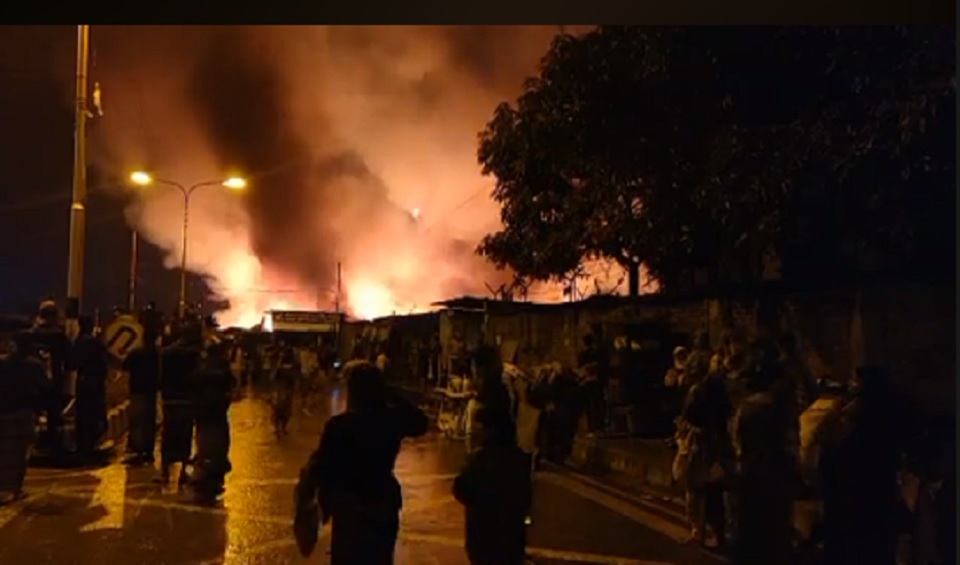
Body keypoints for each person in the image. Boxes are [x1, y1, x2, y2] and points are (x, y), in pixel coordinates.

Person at [295, 361, 428, 564]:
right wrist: (392, 395)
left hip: (350, 510)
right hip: (382, 505)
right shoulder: (389, 421)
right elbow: (420, 422)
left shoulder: (339, 426)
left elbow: (322, 468)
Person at [819, 367, 900, 565]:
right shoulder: (882, 433)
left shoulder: (858, 436)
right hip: (863, 526)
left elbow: (829, 470)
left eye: (854, 396)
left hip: (855, 525)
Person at [730, 341, 797, 564]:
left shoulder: (746, 408)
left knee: (750, 528)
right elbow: (790, 440)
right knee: (775, 531)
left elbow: (738, 440)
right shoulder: (779, 407)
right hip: (775, 473)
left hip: (751, 472)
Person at [453, 407, 533, 565]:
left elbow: (462, 490)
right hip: (512, 540)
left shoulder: (482, 461)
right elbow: (526, 497)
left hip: (484, 538)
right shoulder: (519, 460)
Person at [674, 370, 734, 549]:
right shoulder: (721, 406)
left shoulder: (699, 397)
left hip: (701, 447)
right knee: (714, 492)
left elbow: (690, 414)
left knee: (696, 490)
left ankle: (700, 531)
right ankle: (715, 533)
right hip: (715, 446)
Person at [0, 320, 50, 504]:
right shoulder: (34, 366)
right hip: (23, 412)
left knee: (4, 449)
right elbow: (45, 388)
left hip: (4, 411)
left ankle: (6, 486)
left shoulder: (3, 363)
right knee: (20, 451)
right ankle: (13, 488)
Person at [158, 323, 203, 487]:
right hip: (187, 399)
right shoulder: (194, 354)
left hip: (170, 399)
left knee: (168, 434)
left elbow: (161, 376)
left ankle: (164, 472)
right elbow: (198, 377)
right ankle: (183, 471)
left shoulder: (167, 352)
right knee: (185, 435)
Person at [188, 340, 235, 499]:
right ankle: (213, 476)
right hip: (218, 415)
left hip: (204, 415)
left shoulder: (201, 370)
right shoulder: (223, 371)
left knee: (205, 445)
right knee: (219, 446)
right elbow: (230, 389)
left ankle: (204, 473)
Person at [29, 300, 71, 460]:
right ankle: (54, 446)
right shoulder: (59, 337)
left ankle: (33, 444)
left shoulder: (31, 334)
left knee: (33, 413)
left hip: (34, 382)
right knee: (54, 415)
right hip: (54, 381)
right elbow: (70, 359)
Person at [70, 316, 109, 462]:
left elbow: (72, 363)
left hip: (83, 382)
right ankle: (91, 445)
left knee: (83, 414)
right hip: (95, 383)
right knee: (94, 413)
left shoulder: (78, 342)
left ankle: (83, 446)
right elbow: (103, 362)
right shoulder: (95, 343)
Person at [123, 328, 161, 465]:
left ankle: (138, 450)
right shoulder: (157, 354)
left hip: (137, 390)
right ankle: (148, 451)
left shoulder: (136, 353)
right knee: (149, 422)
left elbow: (125, 366)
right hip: (151, 391)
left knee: (137, 421)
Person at [271, 344, 299, 438]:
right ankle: (282, 428)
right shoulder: (293, 367)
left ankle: (278, 428)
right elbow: (295, 381)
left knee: (278, 411)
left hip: (280, 391)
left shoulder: (280, 367)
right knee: (286, 411)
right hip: (286, 392)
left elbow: (273, 377)